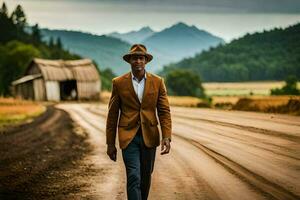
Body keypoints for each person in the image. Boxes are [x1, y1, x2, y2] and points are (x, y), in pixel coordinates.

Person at [106, 44, 172, 200]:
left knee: (145, 177)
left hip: (150, 136)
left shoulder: (158, 82)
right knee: (134, 176)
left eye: (141, 58)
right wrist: (110, 143)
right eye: (134, 58)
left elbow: (164, 112)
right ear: (129, 61)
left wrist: (166, 136)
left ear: (146, 61)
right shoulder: (118, 82)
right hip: (128, 137)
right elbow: (112, 115)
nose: (137, 61)